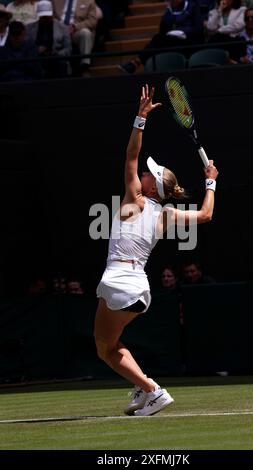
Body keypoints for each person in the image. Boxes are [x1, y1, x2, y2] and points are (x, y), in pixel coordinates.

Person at [94, 84, 219, 416]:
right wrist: (212, 182)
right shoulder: (166, 214)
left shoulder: (135, 198)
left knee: (103, 347)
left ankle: (153, 390)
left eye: (151, 173)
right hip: (140, 289)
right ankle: (143, 387)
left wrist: (140, 118)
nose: (145, 173)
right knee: (112, 344)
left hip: (120, 280)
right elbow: (207, 215)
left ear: (152, 186)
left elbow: (131, 156)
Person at [119, 0, 204, 74]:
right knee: (158, 39)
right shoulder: (169, 10)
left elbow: (199, 29)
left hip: (188, 42)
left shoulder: (192, 7)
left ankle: (136, 62)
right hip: (171, 42)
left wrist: (184, 32)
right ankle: (137, 63)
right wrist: (168, 16)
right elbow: (163, 31)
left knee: (157, 40)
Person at [27, 0, 72, 78]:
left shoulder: (63, 28)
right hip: (37, 59)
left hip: (57, 59)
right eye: (43, 16)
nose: (45, 18)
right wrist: (37, 50)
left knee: (60, 64)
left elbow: (68, 49)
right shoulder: (29, 28)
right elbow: (26, 48)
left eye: (47, 16)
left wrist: (57, 54)